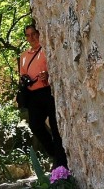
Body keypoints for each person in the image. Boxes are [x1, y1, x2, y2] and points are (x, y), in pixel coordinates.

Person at [19, 22, 68, 169]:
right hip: (33, 95)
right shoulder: (24, 56)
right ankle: (54, 153)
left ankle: (61, 162)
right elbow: (22, 75)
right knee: (35, 125)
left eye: (34, 34)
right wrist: (24, 80)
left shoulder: (46, 50)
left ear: (39, 34)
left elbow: (55, 69)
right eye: (28, 35)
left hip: (48, 92)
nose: (32, 38)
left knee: (55, 126)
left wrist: (47, 75)